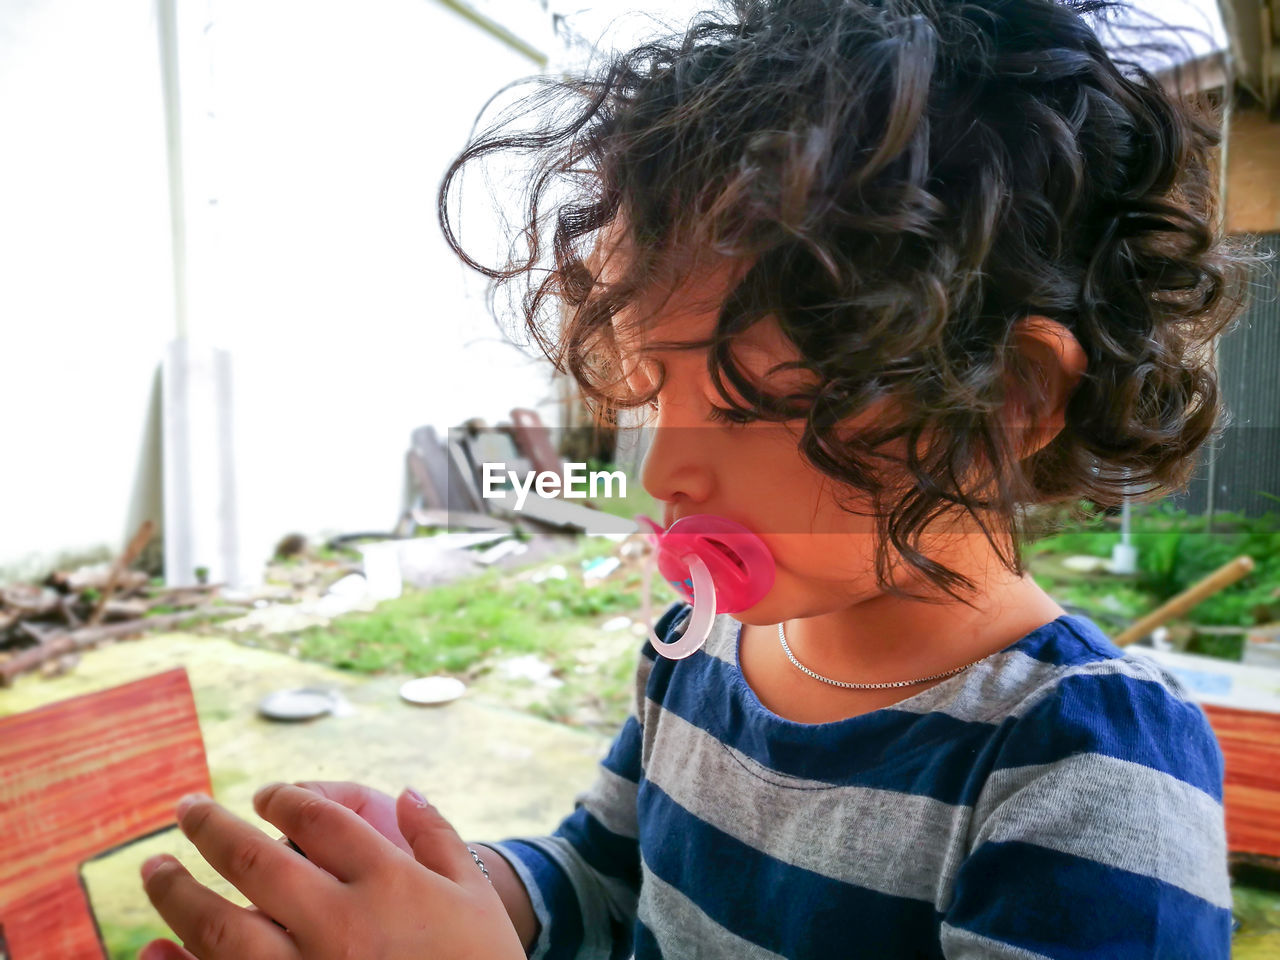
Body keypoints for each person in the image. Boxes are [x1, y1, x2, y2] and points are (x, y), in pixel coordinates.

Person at [139, 0, 1271, 957]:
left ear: (1006, 397)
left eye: (742, 404)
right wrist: (468, 885)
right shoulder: (701, 651)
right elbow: (607, 874)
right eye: (653, 394)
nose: (667, 467)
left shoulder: (1085, 772)